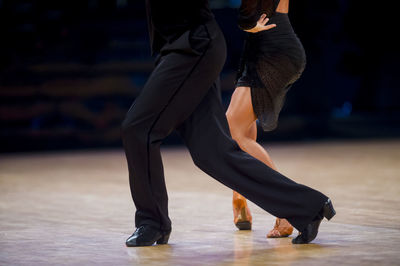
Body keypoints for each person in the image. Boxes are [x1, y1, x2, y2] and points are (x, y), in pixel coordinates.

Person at [121, 0, 335, 247]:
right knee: (211, 152)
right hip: (177, 49)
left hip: (193, 47)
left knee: (138, 128)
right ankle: (308, 207)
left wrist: (248, 20)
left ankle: (152, 223)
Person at [228, 0, 306, 238]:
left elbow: (252, 15)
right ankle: (240, 198)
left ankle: (286, 209)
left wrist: (248, 25)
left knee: (234, 129)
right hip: (259, 49)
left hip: (275, 48)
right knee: (239, 133)